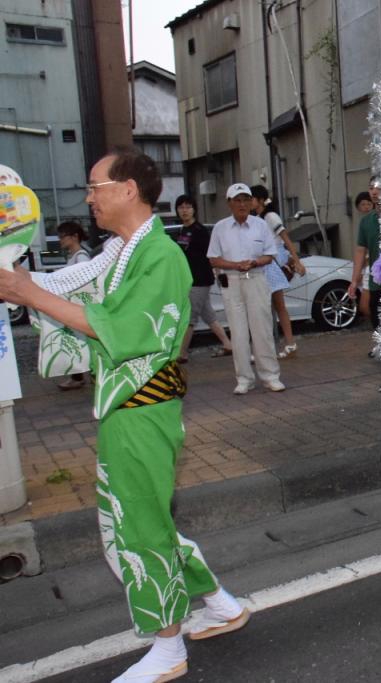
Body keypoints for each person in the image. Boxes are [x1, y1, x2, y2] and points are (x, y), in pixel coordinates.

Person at [0, 148, 249, 682]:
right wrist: (20, 279)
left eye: (95, 186)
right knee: (146, 518)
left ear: (128, 189)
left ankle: (168, 646)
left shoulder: (158, 256)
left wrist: (28, 292)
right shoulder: (123, 252)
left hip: (141, 409)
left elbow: (120, 328)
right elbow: (69, 293)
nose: (89, 197)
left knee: (136, 528)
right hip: (133, 408)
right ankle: (220, 604)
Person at [208, 183, 286, 395]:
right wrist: (235, 265)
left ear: (251, 202)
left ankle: (270, 376)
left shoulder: (260, 225)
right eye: (237, 200)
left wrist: (254, 262)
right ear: (229, 203)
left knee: (262, 329)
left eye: (246, 200)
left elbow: (270, 254)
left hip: (257, 277)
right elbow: (214, 258)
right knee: (238, 332)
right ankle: (244, 378)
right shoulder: (220, 228)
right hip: (232, 281)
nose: (242, 204)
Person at [347, 177, 381, 392]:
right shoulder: (367, 222)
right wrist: (354, 279)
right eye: (371, 188)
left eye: (379, 188)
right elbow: (361, 250)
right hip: (377, 282)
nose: (375, 192)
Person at [173, 194, 233, 363]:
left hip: (200, 279)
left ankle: (182, 353)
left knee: (190, 318)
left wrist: (219, 273)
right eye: (181, 207)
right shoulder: (182, 230)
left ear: (194, 210)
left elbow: (213, 254)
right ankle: (228, 344)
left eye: (188, 207)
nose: (184, 211)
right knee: (208, 315)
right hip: (189, 279)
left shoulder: (200, 231)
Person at [250, 184, 306, 359]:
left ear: (260, 200)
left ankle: (283, 345)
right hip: (268, 262)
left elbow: (285, 239)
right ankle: (287, 344)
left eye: (251, 198)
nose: (249, 202)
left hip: (273, 263)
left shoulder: (270, 216)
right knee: (273, 307)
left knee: (275, 307)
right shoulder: (258, 218)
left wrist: (297, 261)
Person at [55, 221, 91, 390]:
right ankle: (77, 376)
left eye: (63, 236)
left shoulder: (81, 257)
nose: (60, 240)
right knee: (76, 341)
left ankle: (81, 376)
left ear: (75, 237)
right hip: (74, 305)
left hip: (79, 306)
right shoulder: (74, 256)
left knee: (80, 341)